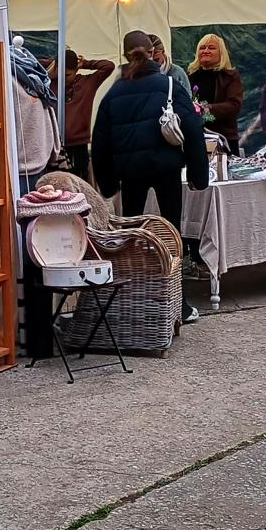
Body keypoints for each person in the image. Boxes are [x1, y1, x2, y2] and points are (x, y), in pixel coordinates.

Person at [91, 31, 209, 324]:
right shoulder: (169, 85)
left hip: (130, 172)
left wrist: (108, 184)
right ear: (152, 52)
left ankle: (134, 300)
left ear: (125, 54)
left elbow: (100, 143)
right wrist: (198, 176)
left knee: (131, 236)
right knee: (171, 234)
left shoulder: (114, 93)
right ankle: (177, 304)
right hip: (166, 168)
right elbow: (193, 131)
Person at [47, 49, 115, 180]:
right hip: (55, 141)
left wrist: (86, 63)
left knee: (80, 178)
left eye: (67, 75)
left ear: (76, 70)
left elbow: (108, 66)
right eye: (60, 73)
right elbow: (36, 64)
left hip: (79, 142)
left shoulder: (88, 82)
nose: (63, 78)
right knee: (58, 180)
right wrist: (54, 64)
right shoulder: (51, 83)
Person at [186, 33, 244, 152]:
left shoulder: (230, 76)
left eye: (211, 48)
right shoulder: (190, 77)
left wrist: (205, 109)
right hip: (195, 137)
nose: (206, 51)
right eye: (202, 48)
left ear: (221, 53)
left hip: (224, 138)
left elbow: (234, 105)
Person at [149, 34, 193, 104]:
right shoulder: (139, 75)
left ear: (163, 52)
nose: (153, 64)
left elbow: (188, 99)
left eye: (156, 60)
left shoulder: (178, 72)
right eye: (149, 61)